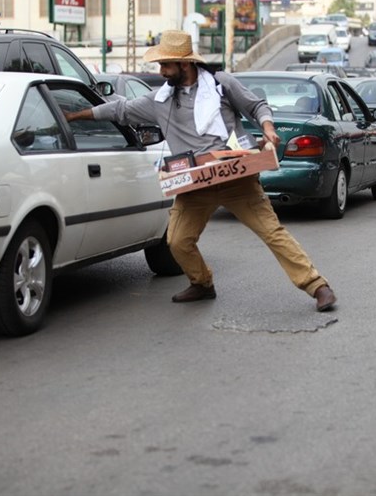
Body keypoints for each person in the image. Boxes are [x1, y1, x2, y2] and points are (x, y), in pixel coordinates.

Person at [65, 29, 336, 312]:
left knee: (272, 232)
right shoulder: (160, 101)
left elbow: (256, 106)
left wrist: (268, 128)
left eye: (165, 65)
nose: (160, 71)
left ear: (185, 64)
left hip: (237, 178)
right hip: (194, 184)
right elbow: (118, 110)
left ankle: (317, 286)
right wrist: (74, 115)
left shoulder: (222, 84)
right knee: (178, 241)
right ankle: (202, 283)